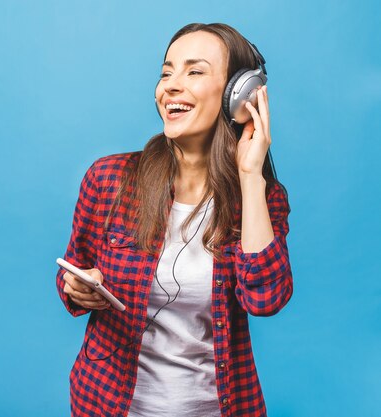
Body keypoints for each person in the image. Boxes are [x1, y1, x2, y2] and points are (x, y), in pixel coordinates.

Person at [55, 22, 293, 417]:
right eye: (167, 73)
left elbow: (265, 298)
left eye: (194, 71)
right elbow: (73, 276)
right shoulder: (109, 179)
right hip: (108, 404)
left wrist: (250, 177)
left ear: (240, 95)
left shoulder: (261, 199)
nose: (171, 85)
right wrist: (78, 288)